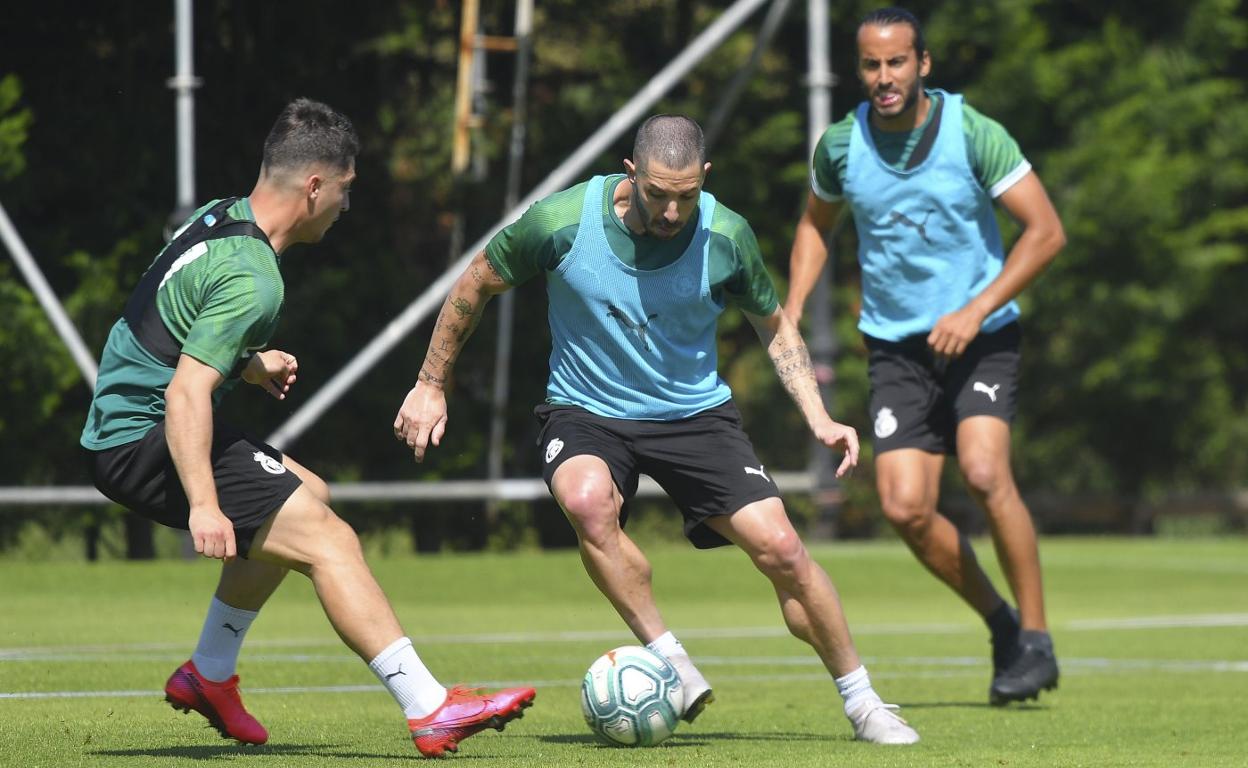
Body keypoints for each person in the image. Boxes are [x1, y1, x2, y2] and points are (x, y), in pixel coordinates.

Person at [393, 114, 920, 745]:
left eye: (686, 195)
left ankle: (864, 703)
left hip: (695, 415)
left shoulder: (726, 236)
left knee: (782, 548)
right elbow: (476, 283)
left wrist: (819, 416)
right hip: (587, 411)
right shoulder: (561, 222)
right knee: (588, 503)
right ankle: (670, 658)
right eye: (658, 193)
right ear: (631, 174)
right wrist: (431, 382)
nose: (672, 211)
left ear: (705, 178)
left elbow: (774, 325)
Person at [79, 98, 535, 757]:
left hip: (127, 421)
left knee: (307, 496)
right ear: (315, 186)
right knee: (330, 540)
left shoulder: (219, 216)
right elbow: (184, 394)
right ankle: (429, 706)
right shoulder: (255, 279)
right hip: (143, 438)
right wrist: (205, 504)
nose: (345, 208)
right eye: (345, 191)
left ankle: (209, 674)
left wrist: (247, 361)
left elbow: (172, 319)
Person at [785, 7, 1066, 705]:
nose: (885, 77)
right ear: (861, 70)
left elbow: (1046, 232)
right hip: (896, 351)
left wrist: (973, 310)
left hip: (982, 336)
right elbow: (815, 227)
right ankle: (1000, 625)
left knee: (982, 470)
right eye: (872, 65)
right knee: (905, 509)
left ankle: (1036, 638)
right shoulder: (842, 146)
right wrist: (788, 312)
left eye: (897, 62)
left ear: (923, 64)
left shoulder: (972, 133)